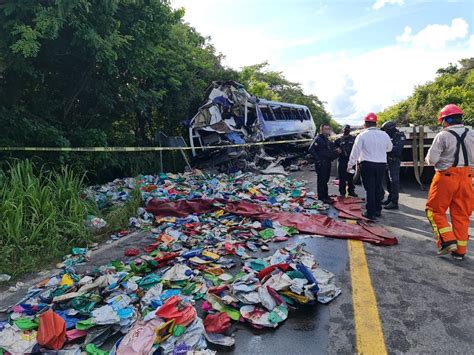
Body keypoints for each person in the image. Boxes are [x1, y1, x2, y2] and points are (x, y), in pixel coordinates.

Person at [425, 104, 473, 261]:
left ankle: (447, 241)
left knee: (434, 211)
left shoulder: (443, 135)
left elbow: (432, 160)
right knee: (461, 214)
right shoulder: (472, 133)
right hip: (468, 178)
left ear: (445, 120)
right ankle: (460, 251)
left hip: (446, 177)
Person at [347, 113, 393, 220]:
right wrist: (379, 151)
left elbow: (355, 152)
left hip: (367, 164)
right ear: (376, 123)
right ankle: (378, 210)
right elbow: (389, 148)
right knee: (377, 187)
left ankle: (370, 212)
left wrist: (350, 166)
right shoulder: (384, 135)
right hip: (381, 164)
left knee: (369, 189)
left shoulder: (362, 135)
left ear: (365, 124)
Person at [309, 123, 341, 204]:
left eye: (329, 129)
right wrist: (318, 160)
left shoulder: (327, 139)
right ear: (321, 130)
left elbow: (329, 151)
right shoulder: (318, 139)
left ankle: (325, 196)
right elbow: (311, 149)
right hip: (322, 163)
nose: (328, 130)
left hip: (327, 162)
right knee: (322, 181)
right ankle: (322, 197)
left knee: (325, 180)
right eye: (326, 129)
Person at [381, 121, 406, 210]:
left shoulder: (400, 136)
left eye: (386, 130)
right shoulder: (388, 136)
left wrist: (386, 148)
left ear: (390, 128)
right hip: (387, 160)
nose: (385, 132)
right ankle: (390, 198)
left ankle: (394, 202)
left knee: (394, 181)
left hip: (394, 160)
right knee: (388, 181)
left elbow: (398, 149)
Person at [335, 125, 357, 197]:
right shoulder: (338, 140)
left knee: (351, 177)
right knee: (342, 177)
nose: (346, 130)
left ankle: (351, 191)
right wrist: (337, 150)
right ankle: (342, 192)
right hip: (342, 161)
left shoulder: (354, 139)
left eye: (347, 129)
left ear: (350, 130)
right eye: (345, 129)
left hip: (351, 161)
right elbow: (333, 148)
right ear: (342, 130)